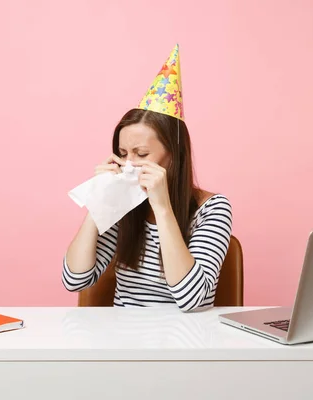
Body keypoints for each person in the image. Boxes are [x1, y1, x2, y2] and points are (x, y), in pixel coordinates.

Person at [62, 45, 233, 312]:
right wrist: (99, 202)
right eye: (122, 154)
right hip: (125, 341)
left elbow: (192, 299)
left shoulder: (213, 209)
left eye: (141, 154)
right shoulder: (123, 204)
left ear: (174, 155)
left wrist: (162, 208)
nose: (129, 164)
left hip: (188, 340)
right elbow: (75, 280)